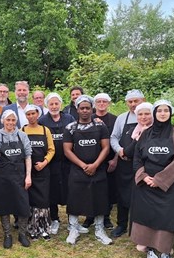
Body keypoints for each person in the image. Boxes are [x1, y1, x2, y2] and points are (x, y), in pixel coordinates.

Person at [130, 100, 174, 258]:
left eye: (166, 111)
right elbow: (137, 157)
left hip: (168, 184)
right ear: (154, 113)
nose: (162, 113)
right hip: (146, 184)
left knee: (166, 217)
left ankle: (165, 252)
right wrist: (144, 176)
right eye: (159, 111)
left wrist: (160, 180)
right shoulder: (146, 134)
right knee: (147, 216)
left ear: (170, 113)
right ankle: (150, 250)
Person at [63, 95, 112, 245]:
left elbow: (106, 147)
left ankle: (99, 229)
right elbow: (67, 150)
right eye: (82, 108)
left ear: (92, 109)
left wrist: (95, 165)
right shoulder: (70, 128)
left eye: (88, 108)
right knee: (74, 199)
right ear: (77, 109)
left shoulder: (100, 126)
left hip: (97, 169)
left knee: (100, 198)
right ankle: (73, 228)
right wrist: (83, 165)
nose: (85, 111)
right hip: (78, 170)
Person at [0, 109, 32, 248]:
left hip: (20, 176)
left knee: (23, 206)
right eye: (8, 120)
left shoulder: (22, 135)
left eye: (13, 120)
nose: (11, 122)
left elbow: (28, 156)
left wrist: (28, 176)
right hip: (2, 177)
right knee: (4, 206)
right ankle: (7, 234)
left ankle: (22, 233)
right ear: (3, 121)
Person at [110, 89, 146, 237]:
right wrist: (119, 151)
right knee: (122, 194)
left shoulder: (149, 118)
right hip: (125, 162)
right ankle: (122, 224)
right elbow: (113, 137)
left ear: (142, 101)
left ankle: (140, 227)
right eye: (130, 102)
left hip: (143, 164)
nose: (133, 104)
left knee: (142, 195)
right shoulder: (121, 118)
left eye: (135, 101)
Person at [39, 92, 75, 235]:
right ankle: (54, 219)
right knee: (52, 191)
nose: (54, 106)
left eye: (56, 104)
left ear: (60, 104)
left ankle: (73, 220)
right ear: (47, 105)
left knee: (70, 189)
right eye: (51, 104)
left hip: (68, 162)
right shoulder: (42, 120)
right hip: (51, 163)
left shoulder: (69, 118)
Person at [83, 93, 117, 230]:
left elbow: (116, 139)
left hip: (108, 161)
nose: (101, 104)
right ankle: (89, 216)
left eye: (104, 101)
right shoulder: (87, 119)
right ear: (94, 104)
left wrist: (115, 160)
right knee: (89, 189)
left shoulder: (115, 119)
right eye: (98, 101)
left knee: (106, 190)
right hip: (90, 161)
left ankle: (106, 217)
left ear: (108, 103)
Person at [22, 104, 54, 239]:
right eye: (28, 114)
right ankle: (32, 228)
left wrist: (44, 162)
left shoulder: (45, 130)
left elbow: (51, 149)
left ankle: (44, 228)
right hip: (29, 172)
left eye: (33, 113)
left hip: (43, 171)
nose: (31, 116)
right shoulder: (22, 130)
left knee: (43, 200)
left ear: (38, 114)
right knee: (32, 201)